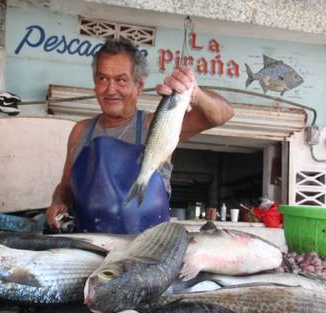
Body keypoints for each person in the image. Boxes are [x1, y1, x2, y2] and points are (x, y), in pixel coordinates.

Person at [45, 38, 234, 234]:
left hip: (148, 248)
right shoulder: (80, 131)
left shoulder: (156, 123)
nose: (110, 89)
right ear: (95, 84)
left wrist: (194, 93)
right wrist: (58, 202)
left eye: (121, 80)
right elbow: (66, 187)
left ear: (139, 86)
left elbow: (224, 114)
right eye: (102, 79)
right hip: (89, 244)